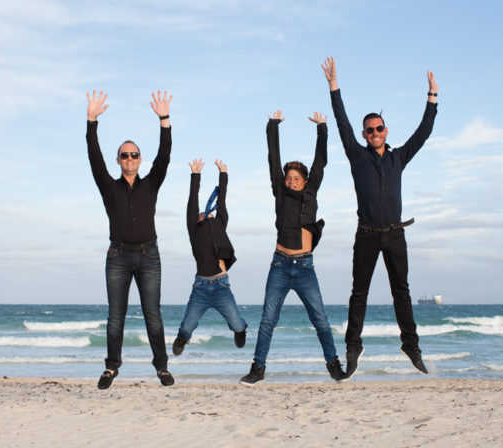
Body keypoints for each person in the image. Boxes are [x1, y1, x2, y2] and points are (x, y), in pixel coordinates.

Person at [321, 56, 438, 378]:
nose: (374, 132)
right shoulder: (356, 155)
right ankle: (353, 349)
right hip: (367, 234)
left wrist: (432, 98)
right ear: (364, 133)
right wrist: (333, 86)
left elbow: (424, 132)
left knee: (402, 292)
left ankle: (411, 347)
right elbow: (341, 121)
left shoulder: (399, 157)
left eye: (379, 128)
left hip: (396, 234)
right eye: (369, 129)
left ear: (386, 131)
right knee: (359, 293)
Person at [240, 110, 346, 386]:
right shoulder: (279, 190)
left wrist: (322, 128)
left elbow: (320, 161)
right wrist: (272, 126)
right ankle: (258, 368)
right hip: (280, 265)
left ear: (305, 180)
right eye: (288, 177)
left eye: (296, 178)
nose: (291, 180)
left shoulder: (311, 192)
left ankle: (333, 364)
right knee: (267, 320)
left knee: (320, 319)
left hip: (305, 267)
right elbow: (273, 157)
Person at [85, 89, 175, 388]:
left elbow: (165, 156)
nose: (130, 158)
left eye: (134, 154)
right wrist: (91, 122)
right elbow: (93, 157)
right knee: (115, 317)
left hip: (149, 256)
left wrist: (164, 120)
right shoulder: (109, 187)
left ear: (140, 159)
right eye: (125, 155)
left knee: (153, 315)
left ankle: (161, 367)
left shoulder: (151, 183)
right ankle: (112, 367)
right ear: (118, 160)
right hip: (118, 256)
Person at [172, 158, 247, 356]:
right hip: (201, 288)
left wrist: (223, 175)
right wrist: (195, 175)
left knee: (237, 324)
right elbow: (192, 201)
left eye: (207, 213)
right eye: (200, 214)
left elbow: (221, 201)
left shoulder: (221, 222)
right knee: (187, 326)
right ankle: (182, 338)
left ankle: (241, 331)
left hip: (221, 286)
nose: (204, 214)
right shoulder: (194, 230)